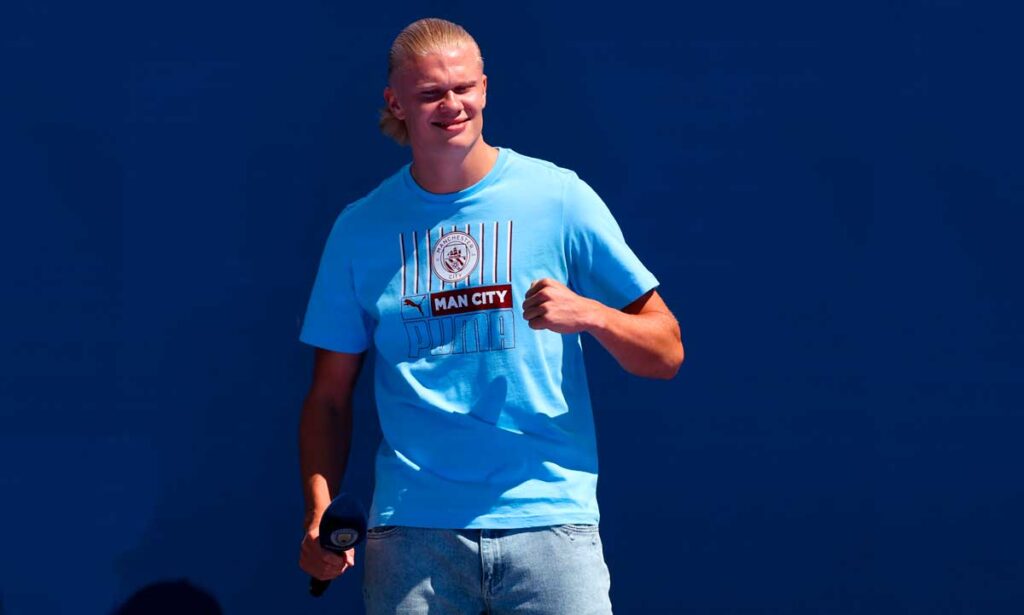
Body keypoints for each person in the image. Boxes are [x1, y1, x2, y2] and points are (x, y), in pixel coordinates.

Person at [297, 17, 684, 614]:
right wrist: (319, 512)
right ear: (396, 103)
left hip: (550, 524)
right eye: (431, 93)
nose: (452, 105)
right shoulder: (360, 228)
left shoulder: (558, 198)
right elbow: (328, 397)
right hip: (413, 533)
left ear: (485, 88)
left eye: (463, 88)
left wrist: (593, 315)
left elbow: (667, 351)